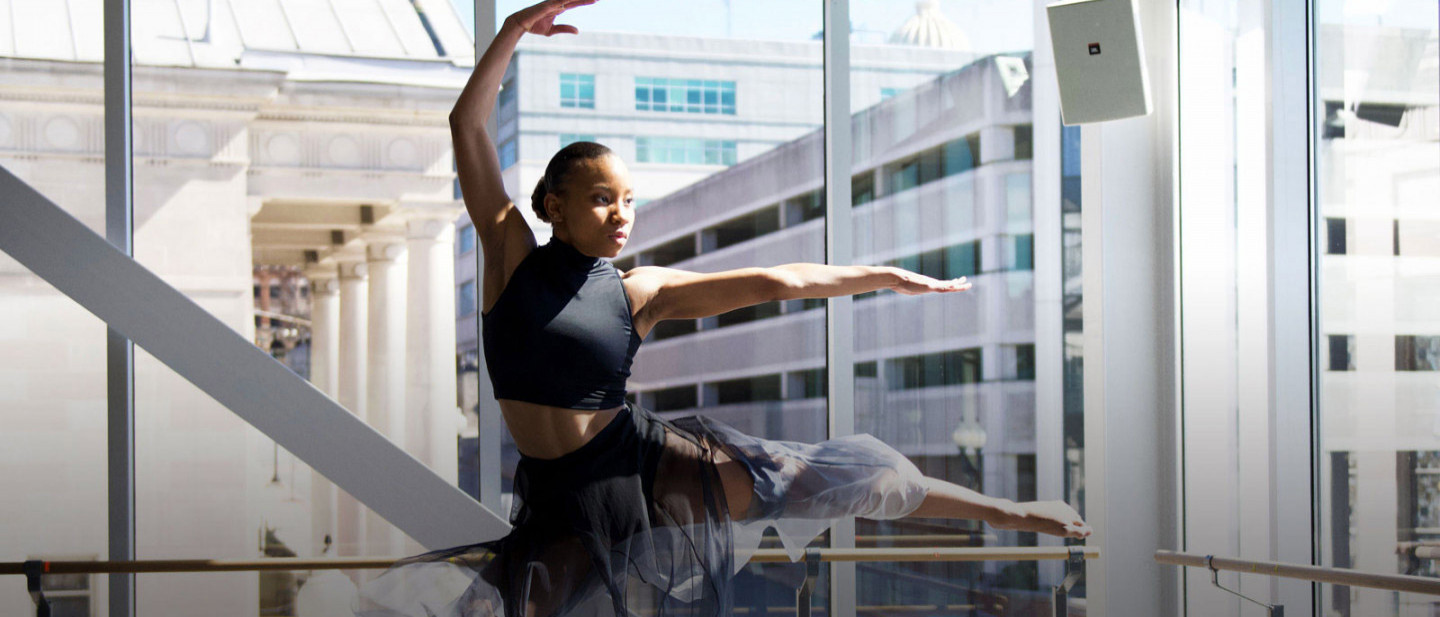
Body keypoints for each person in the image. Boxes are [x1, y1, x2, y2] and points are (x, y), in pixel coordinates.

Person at [355, 1, 1090, 615]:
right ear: (555, 203)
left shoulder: (637, 290)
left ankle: (1010, 513)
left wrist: (880, 274)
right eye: (603, 198)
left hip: (642, 464)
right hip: (559, 494)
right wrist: (513, 29)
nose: (621, 214)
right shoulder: (510, 251)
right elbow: (468, 129)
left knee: (827, 474)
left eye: (630, 201)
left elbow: (776, 279)